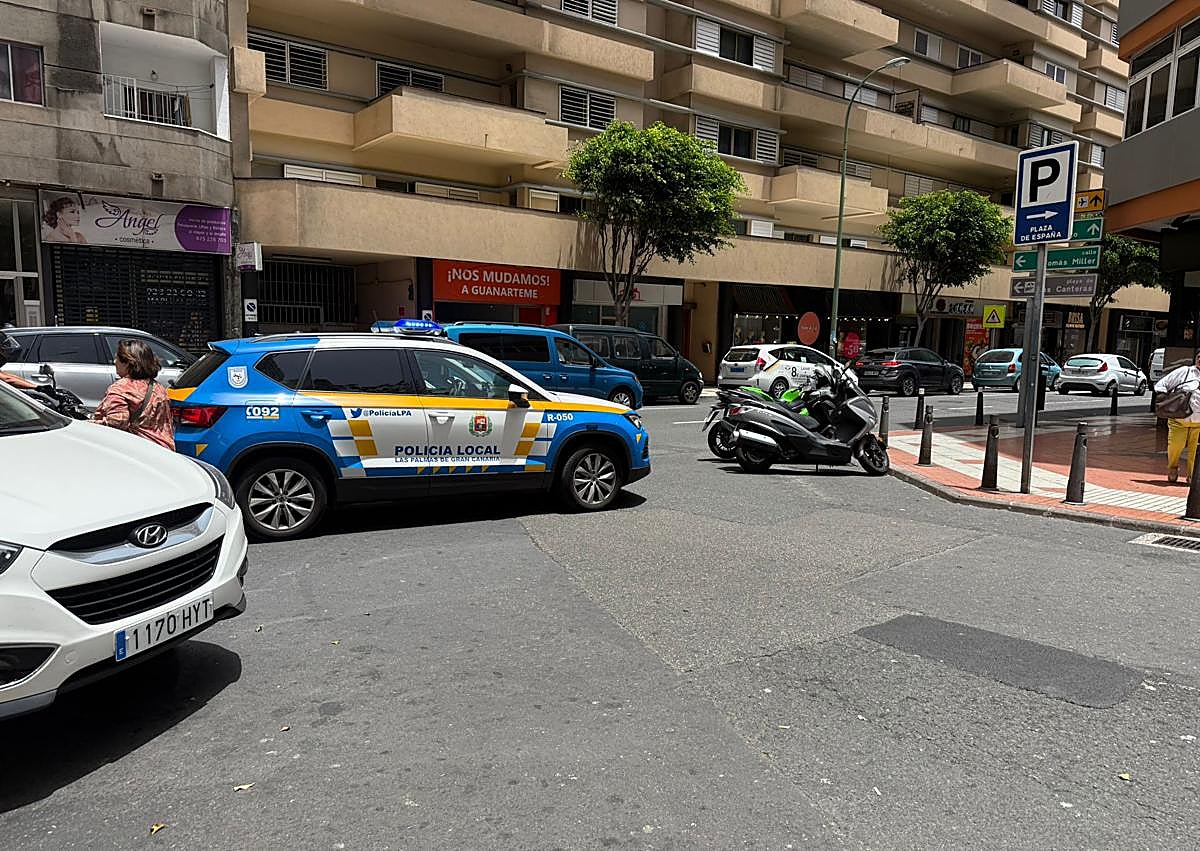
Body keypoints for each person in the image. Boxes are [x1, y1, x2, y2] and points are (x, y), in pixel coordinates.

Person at [92, 339, 175, 450]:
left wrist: (87, 424)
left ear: (128, 363)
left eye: (117, 358)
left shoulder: (121, 388)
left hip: (138, 451)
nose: (115, 362)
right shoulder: (158, 387)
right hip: (164, 450)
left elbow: (116, 423)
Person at [1154, 350, 1200, 483]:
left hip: (1198, 423)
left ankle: (1192, 477)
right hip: (1179, 420)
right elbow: (1162, 384)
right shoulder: (1185, 372)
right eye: (1199, 357)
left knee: (1195, 451)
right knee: (1175, 445)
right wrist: (1167, 401)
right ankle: (1173, 467)